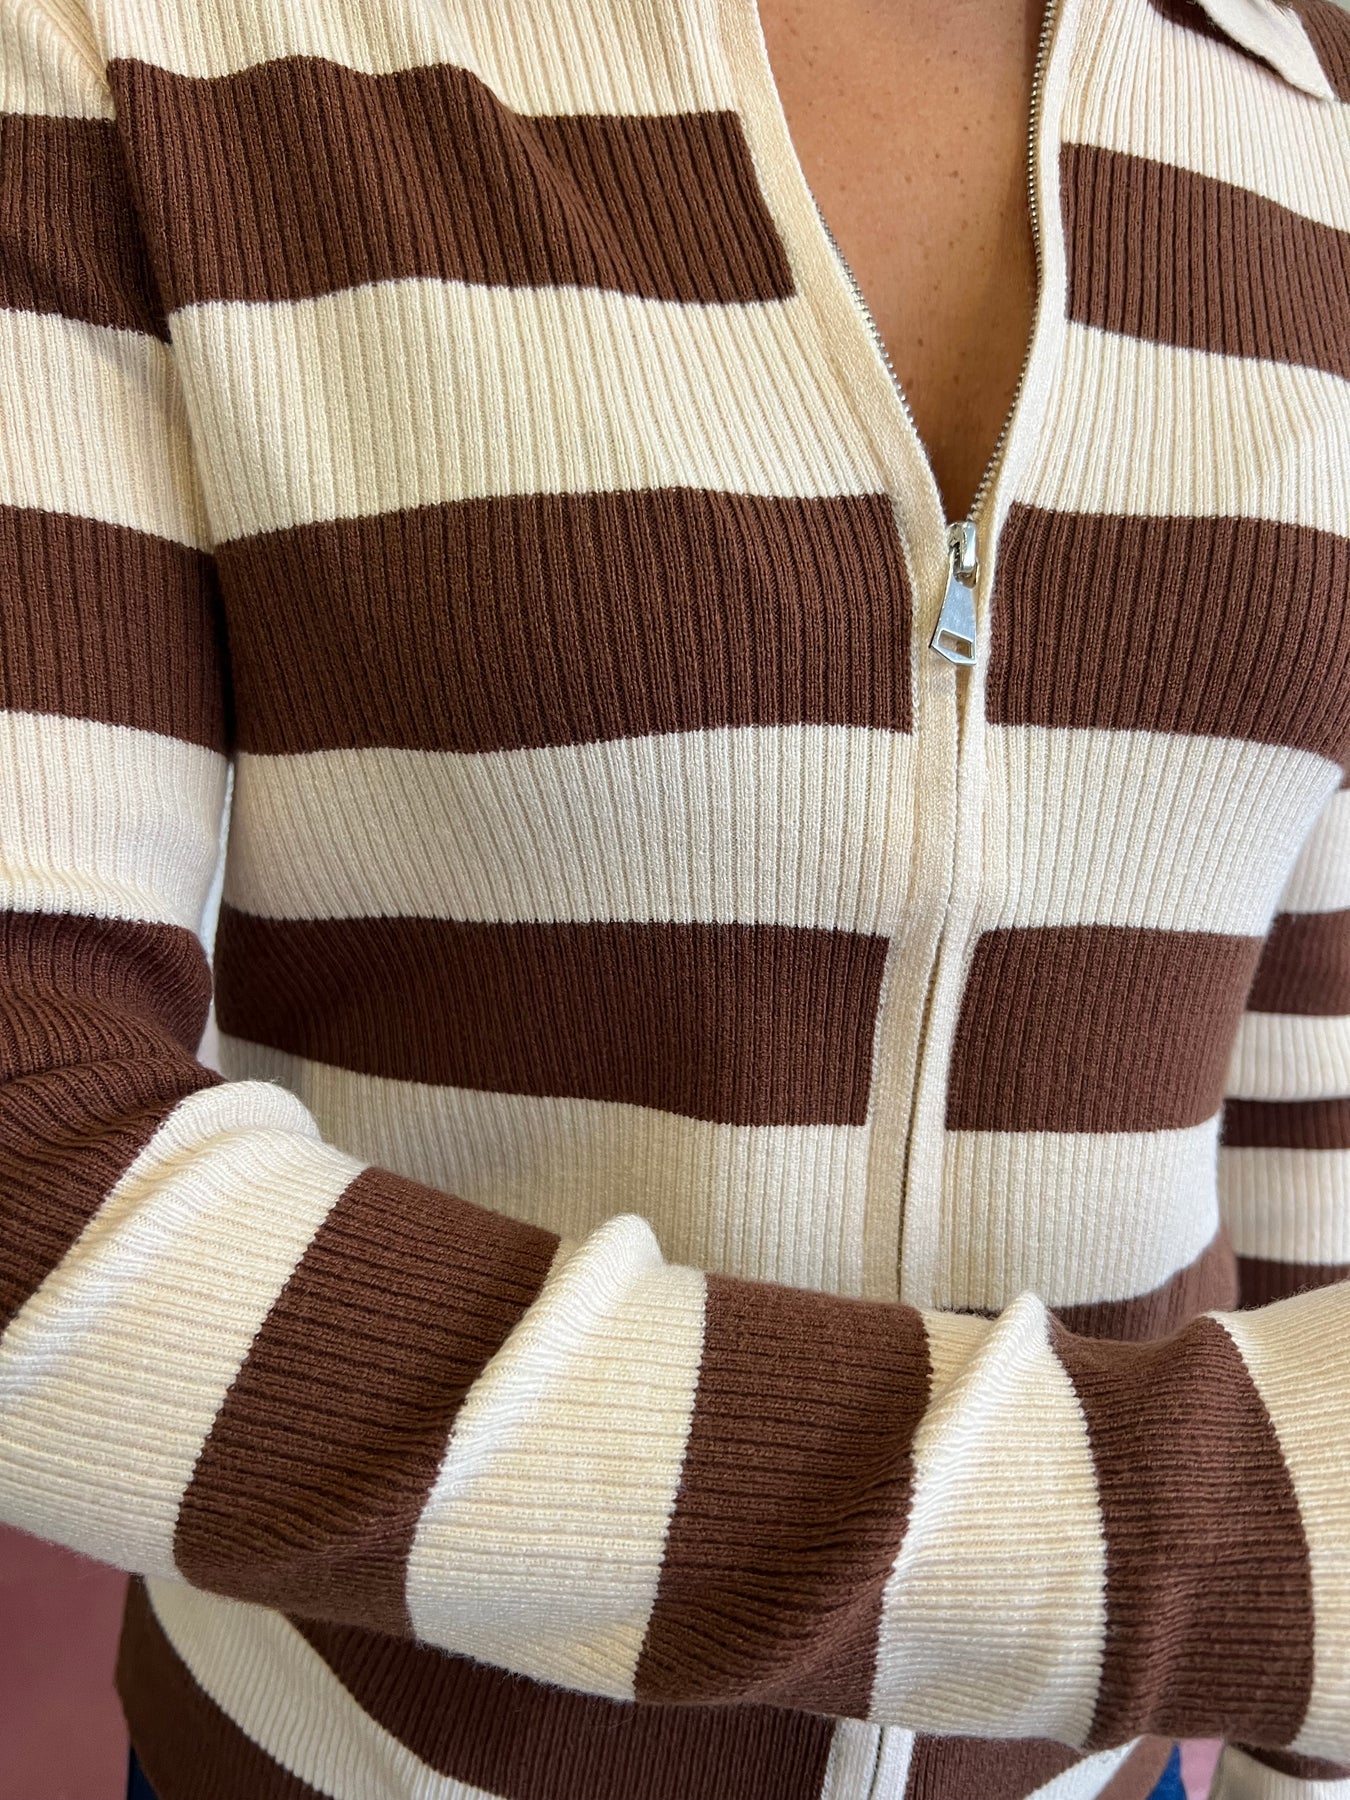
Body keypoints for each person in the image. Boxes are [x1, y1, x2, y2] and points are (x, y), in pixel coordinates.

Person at [0, 0, 1347, 1796]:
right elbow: (28, 1157)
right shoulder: (140, 45)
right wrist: (1195, 1559)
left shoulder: (1305, 101)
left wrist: (1295, 1751)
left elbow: (1294, 980)